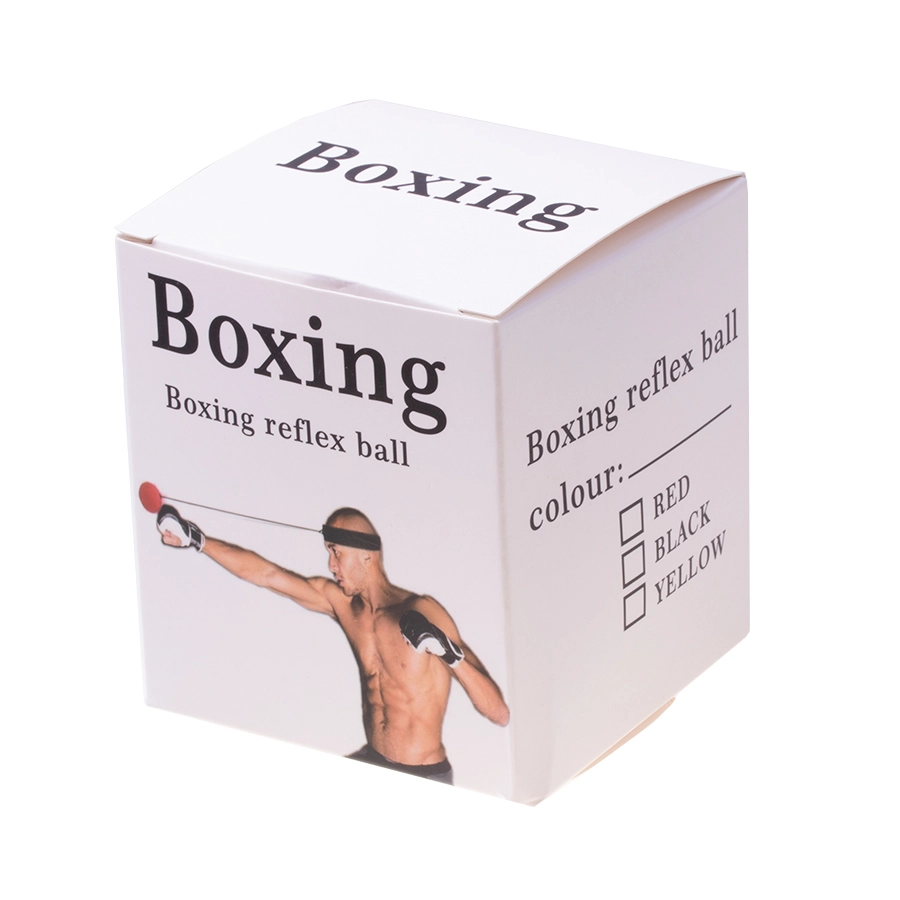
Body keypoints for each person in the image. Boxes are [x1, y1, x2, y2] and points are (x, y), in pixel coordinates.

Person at [156, 504, 509, 785]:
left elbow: (499, 713)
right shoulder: (343, 605)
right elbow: (268, 575)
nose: (330, 565)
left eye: (337, 553)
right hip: (374, 761)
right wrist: (198, 540)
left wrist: (449, 654)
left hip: (423, 778)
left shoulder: (420, 611)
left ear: (367, 557)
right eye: (329, 552)